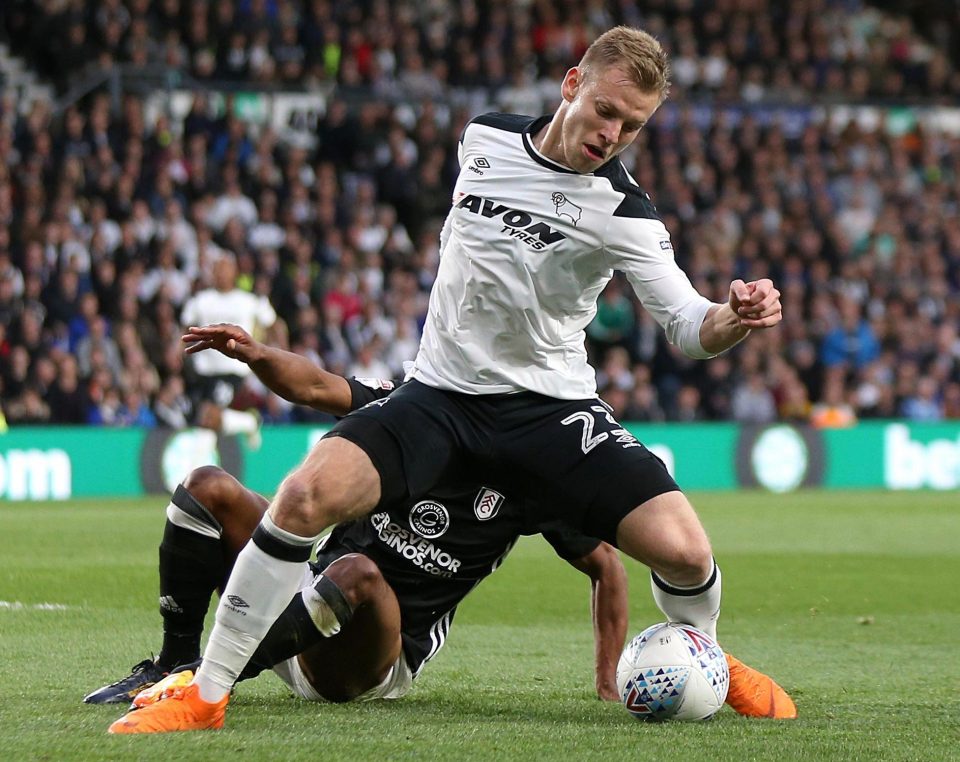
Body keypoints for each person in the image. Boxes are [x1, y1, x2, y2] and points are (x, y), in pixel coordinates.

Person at [110, 26, 794, 734]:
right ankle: (205, 693)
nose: (614, 133)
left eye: (633, 125)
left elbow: (687, 323)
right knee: (307, 493)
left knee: (686, 551)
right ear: (572, 85)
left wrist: (733, 315)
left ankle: (707, 656)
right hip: (438, 395)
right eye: (606, 111)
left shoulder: (625, 214)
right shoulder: (485, 140)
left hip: (546, 410)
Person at [88, 324, 627, 707]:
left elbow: (607, 565)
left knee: (361, 575)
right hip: (302, 597)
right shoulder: (412, 411)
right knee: (206, 487)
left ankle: (208, 681)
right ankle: (172, 664)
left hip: (367, 658)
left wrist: (607, 681)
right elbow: (318, 386)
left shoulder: (527, 472)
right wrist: (257, 355)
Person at [179, 252, 280, 443]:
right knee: (200, 423)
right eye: (217, 268)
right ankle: (244, 424)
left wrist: (271, 352)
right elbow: (184, 330)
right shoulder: (201, 300)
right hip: (202, 372)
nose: (221, 273)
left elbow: (274, 324)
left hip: (232, 370)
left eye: (226, 268)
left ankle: (250, 422)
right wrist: (178, 354)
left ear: (235, 272)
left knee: (209, 416)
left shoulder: (248, 300)